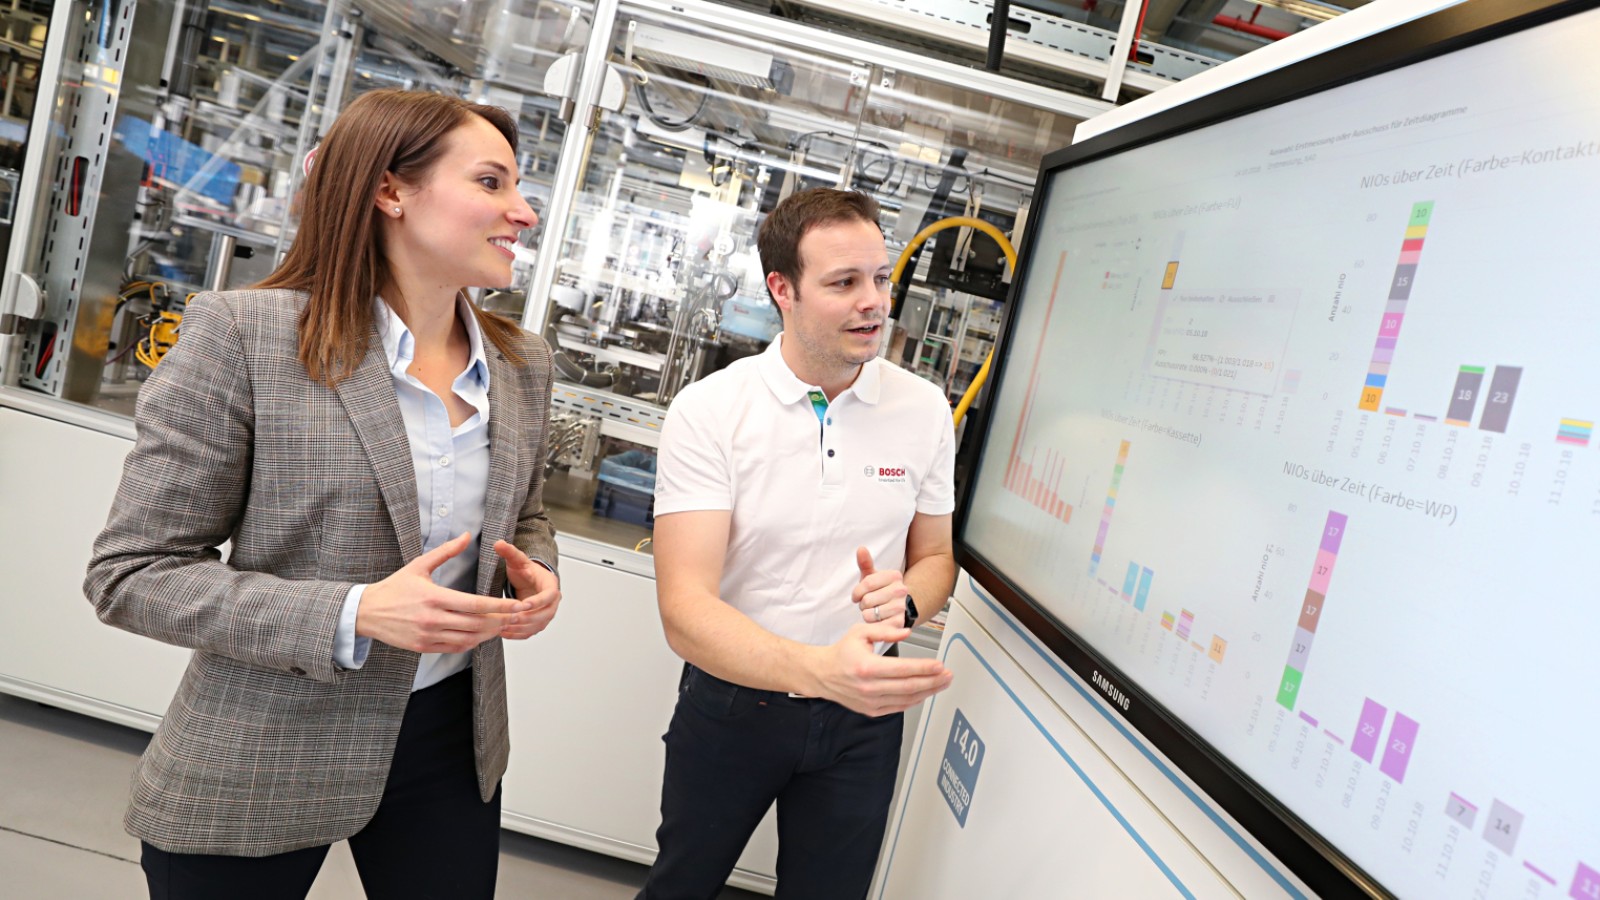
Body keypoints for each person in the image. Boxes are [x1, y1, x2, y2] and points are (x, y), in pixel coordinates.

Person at [83, 89, 561, 899]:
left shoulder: (522, 363)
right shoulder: (245, 336)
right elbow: (131, 575)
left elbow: (528, 512)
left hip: (450, 743)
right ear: (390, 191)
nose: (524, 212)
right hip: (264, 743)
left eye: (519, 186)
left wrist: (534, 571)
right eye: (491, 182)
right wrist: (354, 613)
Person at [639, 188, 958, 899]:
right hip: (735, 702)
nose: (873, 302)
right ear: (782, 289)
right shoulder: (712, 411)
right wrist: (820, 671)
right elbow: (685, 610)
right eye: (844, 283)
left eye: (880, 278)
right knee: (683, 884)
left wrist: (906, 604)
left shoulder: (923, 409)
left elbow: (936, 559)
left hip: (863, 715)